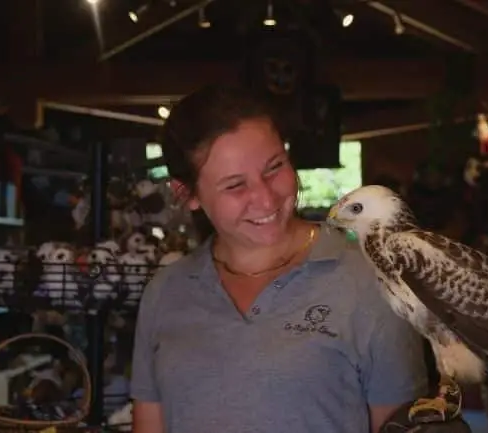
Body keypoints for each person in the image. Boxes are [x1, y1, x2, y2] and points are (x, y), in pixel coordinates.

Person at [130, 85, 430, 433]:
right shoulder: (165, 293)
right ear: (187, 194)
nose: (266, 197)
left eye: (274, 167)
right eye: (235, 185)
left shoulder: (371, 283)